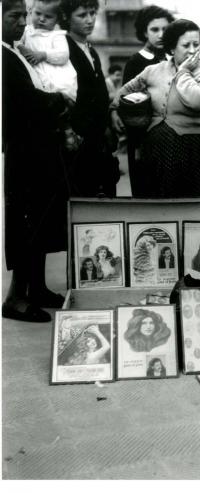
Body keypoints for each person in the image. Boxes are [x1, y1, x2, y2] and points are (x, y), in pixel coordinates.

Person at [2, 0, 70, 322]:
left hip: (39, 147)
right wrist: (57, 100)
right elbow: (22, 102)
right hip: (23, 150)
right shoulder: (2, 58)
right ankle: (15, 296)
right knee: (25, 220)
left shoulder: (15, 51)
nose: (21, 22)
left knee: (41, 217)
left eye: (22, 15)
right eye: (13, 16)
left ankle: (37, 287)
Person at [111, 18, 200, 198]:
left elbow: (198, 100)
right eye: (186, 45)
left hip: (193, 150)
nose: (192, 50)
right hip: (156, 150)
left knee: (193, 207)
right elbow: (124, 91)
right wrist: (114, 109)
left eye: (196, 44)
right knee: (160, 207)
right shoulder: (153, 71)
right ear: (172, 48)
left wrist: (183, 72)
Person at [60, 0, 119, 198]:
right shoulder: (62, 49)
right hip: (78, 140)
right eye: (82, 15)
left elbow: (100, 93)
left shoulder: (91, 50)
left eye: (93, 13)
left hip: (98, 138)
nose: (90, 20)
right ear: (66, 17)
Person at [120, 5, 175, 197]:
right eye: (154, 29)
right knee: (147, 195)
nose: (161, 35)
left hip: (171, 139)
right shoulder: (135, 62)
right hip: (144, 141)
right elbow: (128, 107)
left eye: (165, 30)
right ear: (144, 31)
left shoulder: (173, 60)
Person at [17, 0, 78, 102]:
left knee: (63, 91)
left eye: (48, 16)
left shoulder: (57, 35)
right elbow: (16, 43)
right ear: (31, 11)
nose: (41, 19)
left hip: (57, 75)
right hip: (37, 75)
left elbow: (64, 54)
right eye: (38, 13)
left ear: (57, 20)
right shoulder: (26, 31)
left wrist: (43, 55)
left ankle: (66, 102)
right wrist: (22, 48)